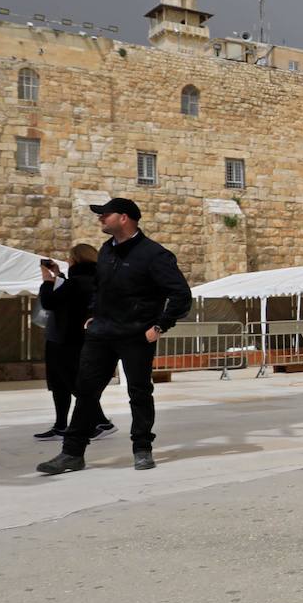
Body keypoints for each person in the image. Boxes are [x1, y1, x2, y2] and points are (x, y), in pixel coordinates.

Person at [37, 197, 191, 475]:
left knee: (139, 392)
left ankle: (142, 449)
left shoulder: (154, 254)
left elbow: (181, 295)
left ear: (124, 217)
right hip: (101, 334)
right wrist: (94, 313)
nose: (100, 219)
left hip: (136, 335)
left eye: (105, 215)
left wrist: (160, 326)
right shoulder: (106, 251)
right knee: (85, 392)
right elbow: (99, 287)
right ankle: (72, 453)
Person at [34, 244, 114, 441]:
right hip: (78, 339)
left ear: (76, 259)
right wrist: (59, 277)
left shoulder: (77, 283)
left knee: (71, 383)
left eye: (70, 258)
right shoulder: (93, 281)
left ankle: (100, 422)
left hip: (63, 340)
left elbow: (49, 302)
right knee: (64, 383)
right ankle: (62, 425)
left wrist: (47, 281)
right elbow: (68, 297)